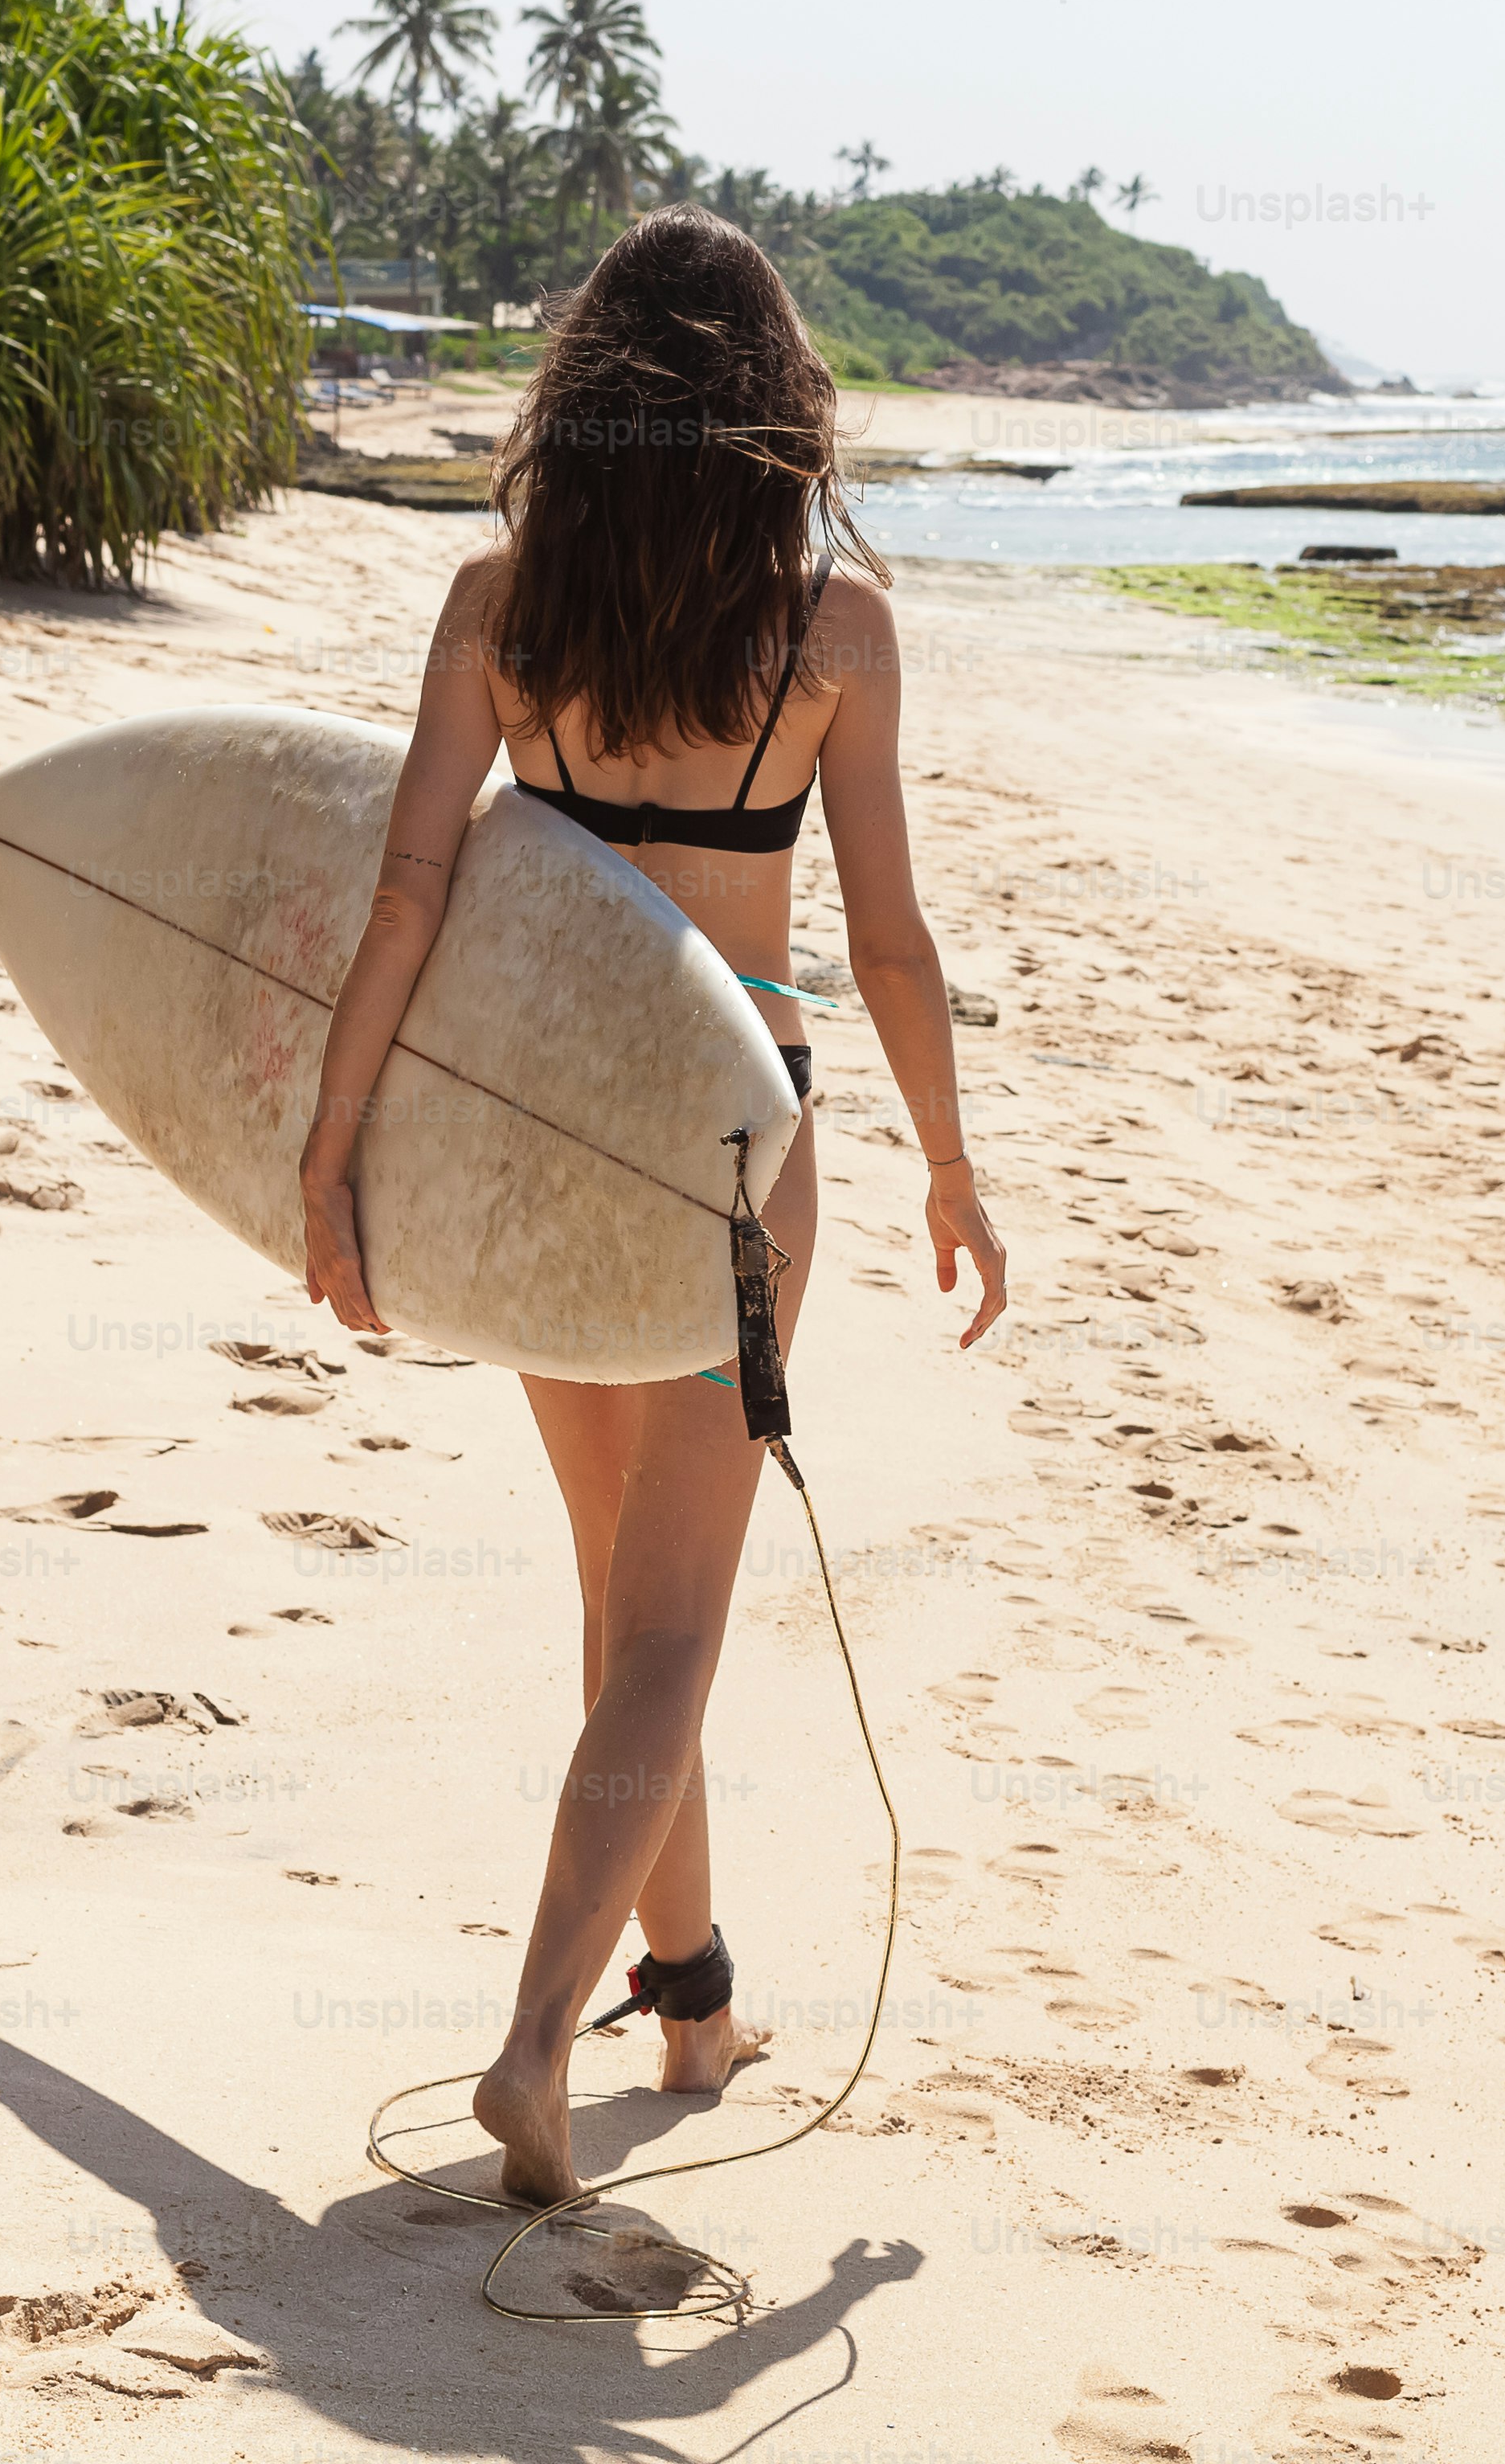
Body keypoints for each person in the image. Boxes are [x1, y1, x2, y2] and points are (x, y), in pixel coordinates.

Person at [296, 207, 1008, 2208]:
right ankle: (534, 2042)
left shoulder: (500, 607)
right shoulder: (832, 634)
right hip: (733, 1146)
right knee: (678, 1621)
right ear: (778, 406)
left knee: (620, 1602)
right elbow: (888, 945)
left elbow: (412, 891)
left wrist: (335, 1146)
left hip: (533, 1135)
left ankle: (686, 2004)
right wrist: (952, 1164)